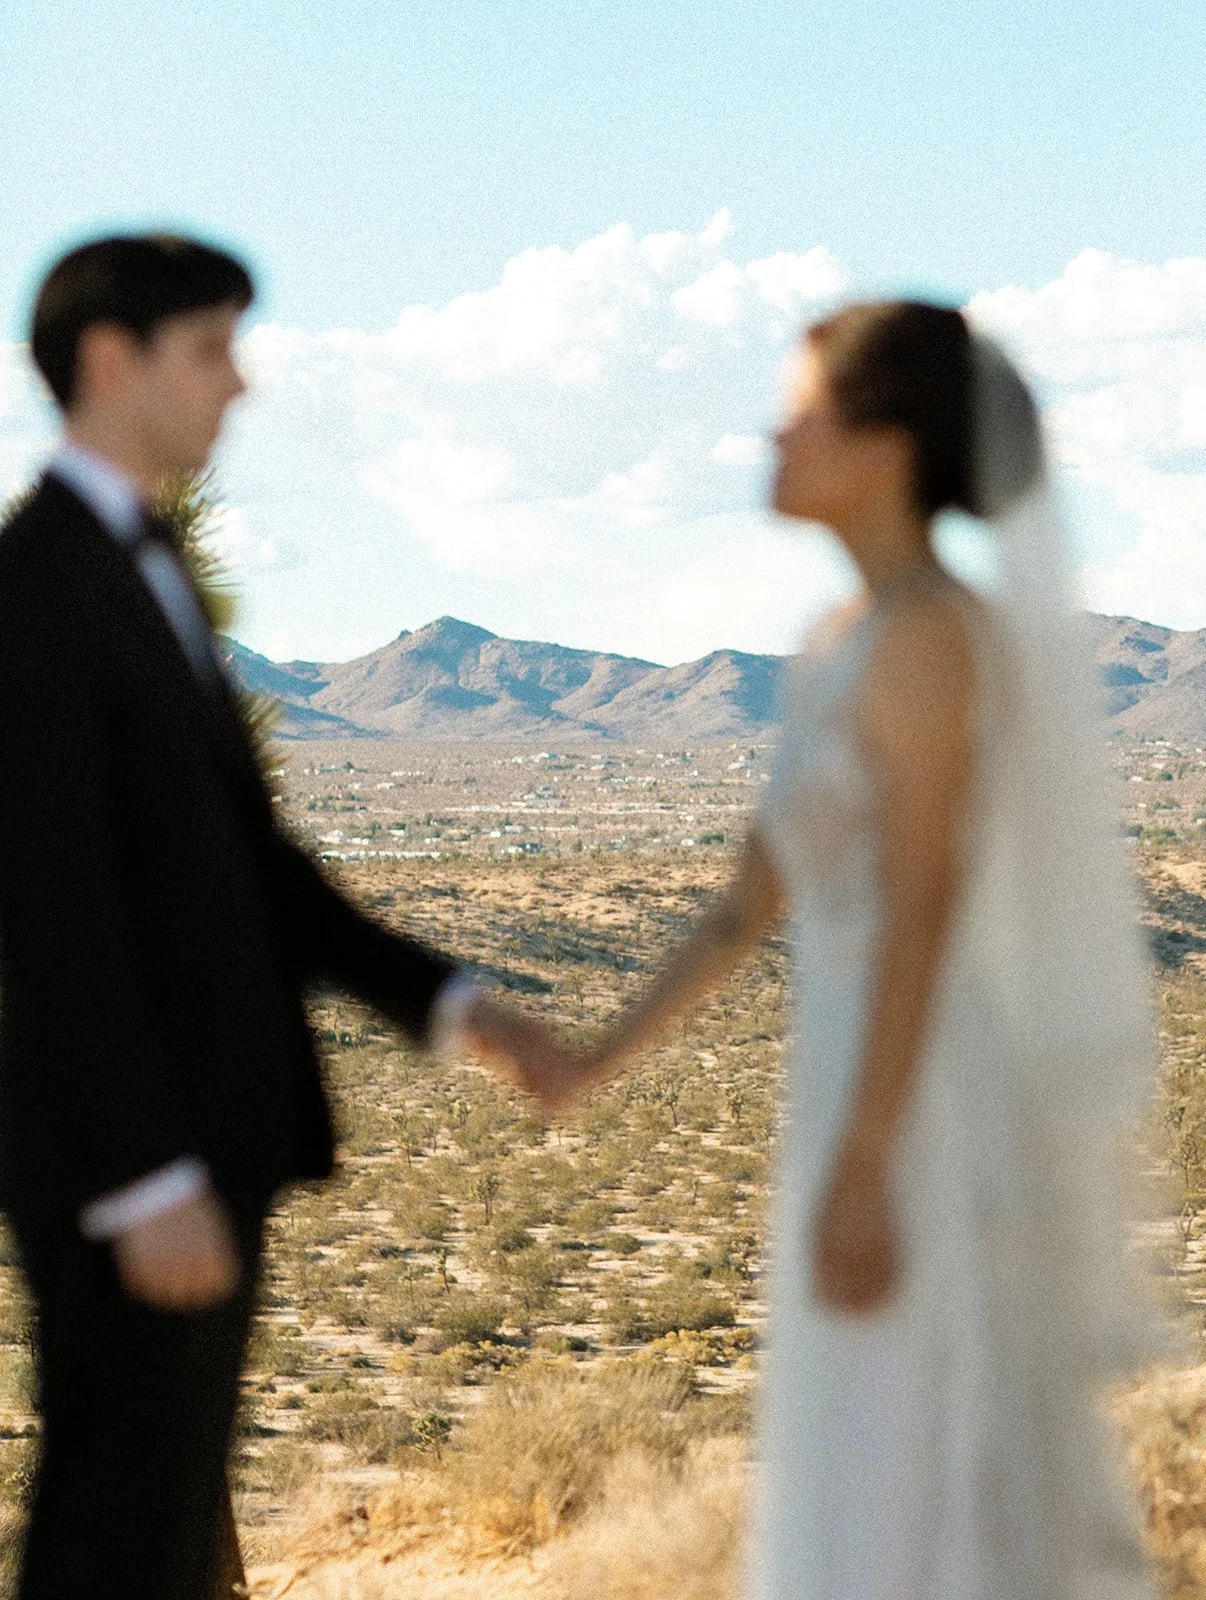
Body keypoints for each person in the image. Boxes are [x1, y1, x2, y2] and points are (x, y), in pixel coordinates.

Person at [511, 302, 1156, 1598]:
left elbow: (924, 902)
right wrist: (595, 1062)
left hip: (912, 1102)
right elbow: (745, 902)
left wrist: (869, 1158)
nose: (771, 432)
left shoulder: (930, 638)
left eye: (800, 409)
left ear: (883, 444)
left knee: (914, 1451)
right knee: (853, 1453)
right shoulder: (832, 643)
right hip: (842, 1095)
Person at [0, 233, 550, 1600]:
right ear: (112, 359)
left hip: (201, 1145)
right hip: (131, 1170)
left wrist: (451, 1006)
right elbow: (42, 904)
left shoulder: (146, 569)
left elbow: (253, 871)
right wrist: (142, 1173)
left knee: (160, 1530)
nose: (239, 388)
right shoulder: (35, 589)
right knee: (113, 1537)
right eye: (213, 350)